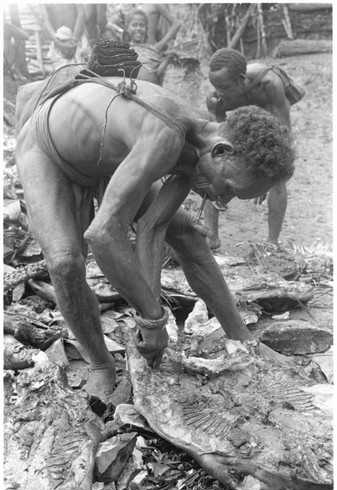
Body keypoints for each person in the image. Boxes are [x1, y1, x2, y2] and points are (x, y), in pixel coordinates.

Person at [15, 71, 295, 403]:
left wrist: (149, 321)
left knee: (188, 234)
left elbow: (152, 228)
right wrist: (152, 317)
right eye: (228, 189)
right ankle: (101, 365)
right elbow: (104, 235)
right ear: (221, 152)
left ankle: (242, 339)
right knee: (64, 262)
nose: (222, 200)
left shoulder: (199, 150)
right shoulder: (167, 135)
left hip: (106, 161)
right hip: (48, 150)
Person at [205, 47, 296, 250]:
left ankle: (272, 243)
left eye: (225, 86)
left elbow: (283, 135)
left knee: (279, 181)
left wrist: (267, 171)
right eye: (214, 85)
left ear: (241, 78)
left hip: (271, 126)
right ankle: (210, 236)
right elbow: (219, 137)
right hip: (241, 126)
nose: (218, 92)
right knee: (213, 172)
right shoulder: (215, 98)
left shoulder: (270, 84)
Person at [126, 8, 180, 86]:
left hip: (151, 89)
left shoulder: (152, 50)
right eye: (134, 25)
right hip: (129, 88)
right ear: (127, 27)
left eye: (142, 25)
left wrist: (168, 59)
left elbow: (157, 73)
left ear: (146, 28)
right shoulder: (123, 49)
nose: (138, 28)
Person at [40, 4, 85, 70]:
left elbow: (81, 13)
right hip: (57, 40)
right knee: (60, 72)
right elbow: (45, 19)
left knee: (78, 70)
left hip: (75, 39)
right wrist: (58, 42)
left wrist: (74, 39)